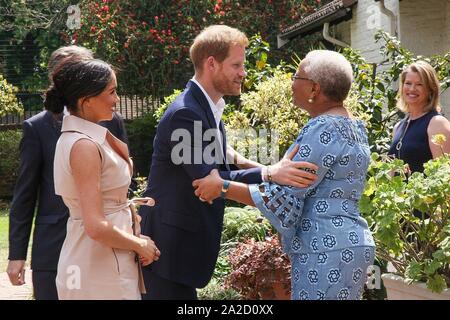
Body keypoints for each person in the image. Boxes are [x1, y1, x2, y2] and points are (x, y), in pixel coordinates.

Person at [138, 25, 318, 300]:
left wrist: (264, 169)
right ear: (212, 63)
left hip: (179, 249)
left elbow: (225, 154)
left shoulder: (206, 106)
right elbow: (207, 180)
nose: (243, 73)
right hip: (168, 252)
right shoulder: (186, 113)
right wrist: (270, 173)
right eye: (236, 65)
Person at [193, 50, 376, 300]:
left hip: (325, 248)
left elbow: (284, 198)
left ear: (314, 89)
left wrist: (222, 187)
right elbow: (288, 176)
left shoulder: (322, 128)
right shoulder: (352, 126)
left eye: (296, 76)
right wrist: (241, 161)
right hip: (348, 244)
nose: (291, 83)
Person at [6, 45, 129, 300]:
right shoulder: (37, 127)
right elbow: (25, 193)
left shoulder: (111, 119)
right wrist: (16, 254)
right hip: (54, 246)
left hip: (106, 246)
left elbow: (120, 181)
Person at [48, 58, 160, 299]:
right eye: (112, 92)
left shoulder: (82, 138)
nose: (116, 99)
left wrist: (134, 238)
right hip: (98, 267)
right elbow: (96, 226)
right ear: (85, 100)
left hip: (99, 260)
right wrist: (138, 244)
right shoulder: (84, 145)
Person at [388, 61, 450, 173]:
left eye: (419, 84)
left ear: (431, 89)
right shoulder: (398, 127)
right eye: (408, 83)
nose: (412, 89)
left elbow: (444, 177)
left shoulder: (437, 123)